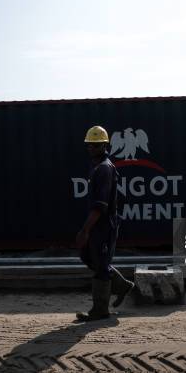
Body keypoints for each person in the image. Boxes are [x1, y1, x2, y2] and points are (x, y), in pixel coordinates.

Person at [75, 125, 135, 322]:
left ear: (104, 146)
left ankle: (100, 310)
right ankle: (122, 285)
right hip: (99, 225)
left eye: (95, 145)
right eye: (89, 145)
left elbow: (100, 206)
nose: (90, 149)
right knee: (90, 258)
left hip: (103, 225)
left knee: (100, 266)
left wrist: (85, 230)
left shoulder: (103, 169)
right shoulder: (98, 167)